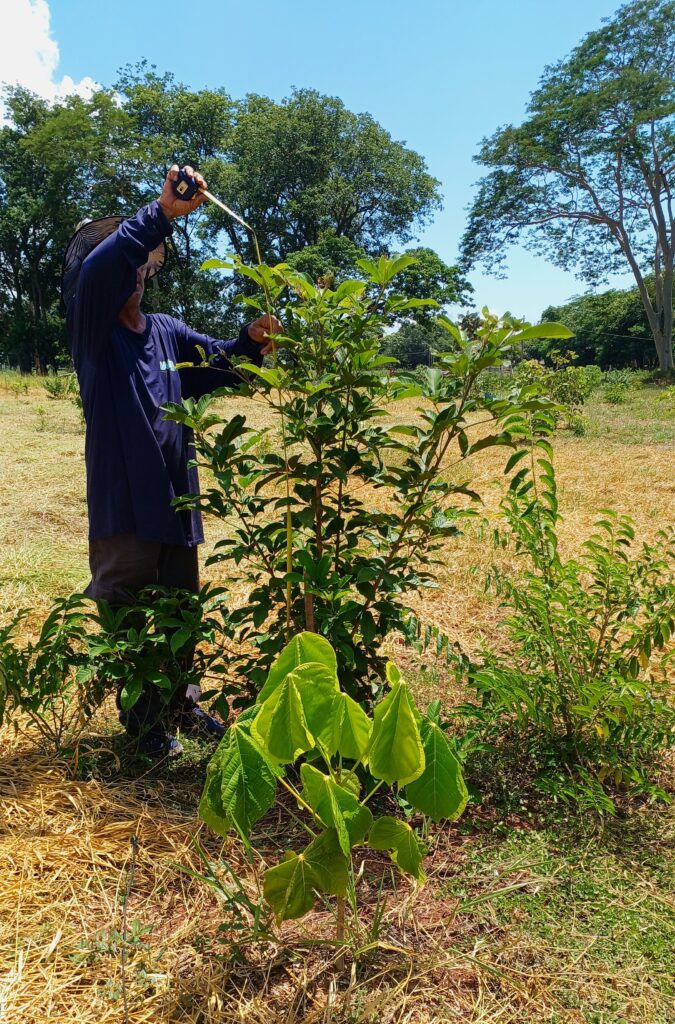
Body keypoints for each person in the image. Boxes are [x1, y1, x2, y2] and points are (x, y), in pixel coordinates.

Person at [62, 163, 281, 757]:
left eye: (137, 262)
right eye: (118, 260)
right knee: (129, 614)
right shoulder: (92, 333)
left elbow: (223, 362)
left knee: (182, 611)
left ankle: (181, 705)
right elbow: (106, 264)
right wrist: (161, 213)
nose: (130, 268)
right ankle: (141, 727)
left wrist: (252, 341)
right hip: (125, 508)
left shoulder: (163, 330)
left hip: (177, 507)